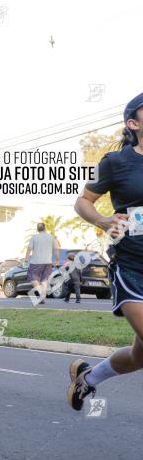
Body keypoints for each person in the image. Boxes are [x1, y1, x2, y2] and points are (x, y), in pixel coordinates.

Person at [67, 91, 143, 411]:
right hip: (132, 268)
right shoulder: (115, 163)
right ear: (133, 123)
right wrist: (102, 220)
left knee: (139, 357)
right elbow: (82, 201)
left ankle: (88, 378)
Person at [24, 223, 59, 305]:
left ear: (37, 229)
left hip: (35, 262)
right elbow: (56, 249)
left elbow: (29, 248)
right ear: (45, 228)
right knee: (44, 280)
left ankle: (41, 294)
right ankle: (43, 296)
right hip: (48, 262)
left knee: (33, 278)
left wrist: (26, 259)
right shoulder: (51, 237)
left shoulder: (34, 237)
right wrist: (57, 260)